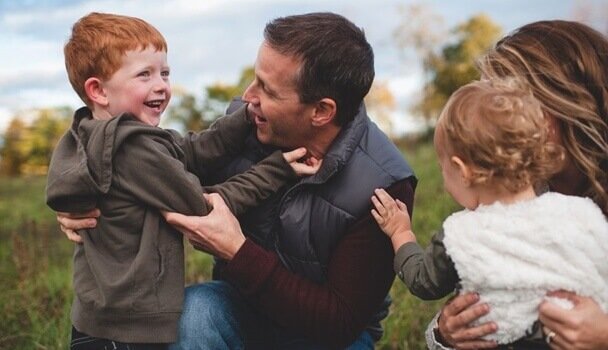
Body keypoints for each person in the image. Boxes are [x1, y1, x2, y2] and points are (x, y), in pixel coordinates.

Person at [58, 12, 418, 349]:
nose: (248, 98)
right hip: (245, 309)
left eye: (268, 90)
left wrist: (237, 252)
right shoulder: (247, 125)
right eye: (255, 78)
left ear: (322, 111)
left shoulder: (384, 185)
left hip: (326, 335)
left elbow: (339, 322)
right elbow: (168, 170)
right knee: (196, 312)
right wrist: (87, 200)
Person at [370, 78, 608, 347]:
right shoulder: (580, 213)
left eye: (443, 168)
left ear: (463, 171)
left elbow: (424, 282)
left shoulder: (461, 236)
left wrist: (401, 233)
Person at [426, 20, 608, 350]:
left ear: (563, 102)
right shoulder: (511, 195)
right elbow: (483, 295)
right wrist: (444, 332)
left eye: (505, 105)